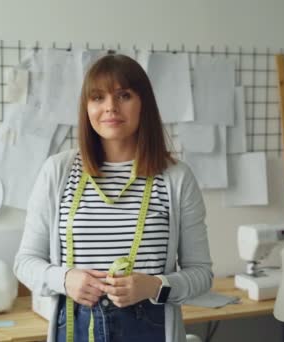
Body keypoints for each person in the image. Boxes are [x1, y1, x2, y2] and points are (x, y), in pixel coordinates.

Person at [14, 53, 213, 342]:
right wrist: (65, 280)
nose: (110, 107)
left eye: (124, 95)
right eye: (97, 98)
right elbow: (25, 262)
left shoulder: (176, 178)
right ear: (86, 107)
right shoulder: (58, 172)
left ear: (143, 103)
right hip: (76, 329)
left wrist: (154, 286)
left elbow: (201, 275)